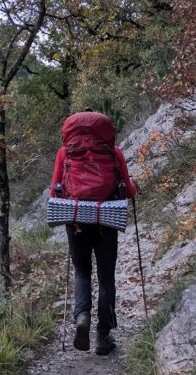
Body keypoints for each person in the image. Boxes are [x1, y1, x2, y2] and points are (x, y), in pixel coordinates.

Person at [50, 110, 138, 354]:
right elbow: (127, 189)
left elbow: (55, 191)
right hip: (107, 219)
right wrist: (134, 189)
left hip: (76, 220)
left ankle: (82, 318)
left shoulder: (64, 153)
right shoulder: (113, 152)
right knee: (106, 276)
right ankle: (102, 336)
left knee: (81, 271)